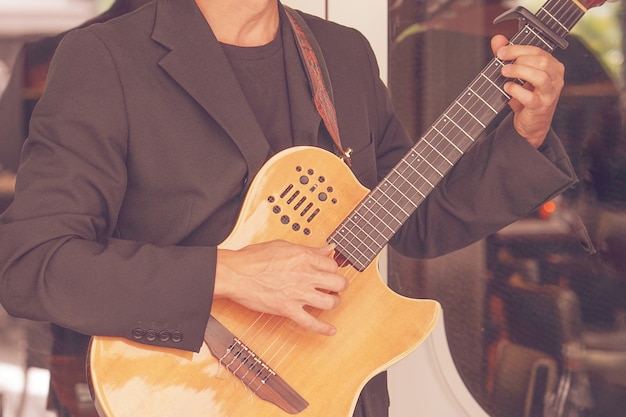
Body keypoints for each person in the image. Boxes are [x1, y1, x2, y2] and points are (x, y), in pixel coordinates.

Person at [0, 0, 577, 415]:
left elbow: (415, 218)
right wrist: (231, 275)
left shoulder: (341, 54)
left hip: (334, 399)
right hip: (181, 394)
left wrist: (524, 134)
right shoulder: (106, 58)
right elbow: (33, 265)